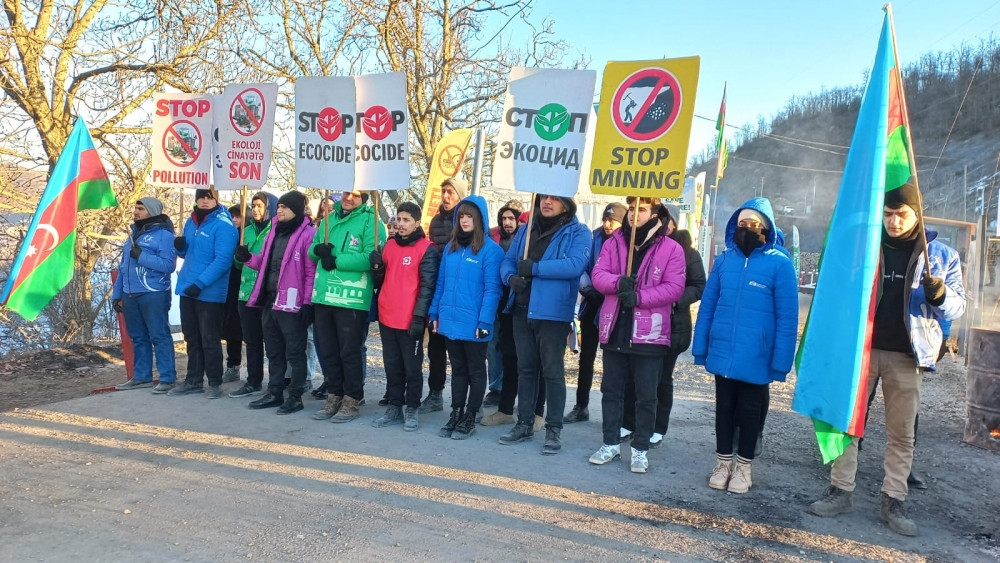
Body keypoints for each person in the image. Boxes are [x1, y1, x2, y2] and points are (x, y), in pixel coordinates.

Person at [809, 179, 965, 536]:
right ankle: (840, 490)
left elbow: (958, 306)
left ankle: (894, 499)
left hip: (908, 356)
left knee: (902, 433)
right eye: (888, 213)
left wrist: (941, 295)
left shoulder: (941, 256)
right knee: (846, 423)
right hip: (860, 353)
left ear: (917, 215)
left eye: (902, 214)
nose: (893, 221)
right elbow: (839, 289)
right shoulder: (865, 247)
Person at [692, 197, 798, 494]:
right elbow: (708, 307)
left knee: (750, 411)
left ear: (766, 227)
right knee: (724, 408)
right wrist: (701, 347)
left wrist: (781, 362)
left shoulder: (780, 264)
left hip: (757, 354)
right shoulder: (725, 261)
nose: (747, 228)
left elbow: (787, 318)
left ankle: (743, 468)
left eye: (754, 224)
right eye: (742, 223)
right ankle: (722, 464)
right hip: (723, 349)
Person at [587, 198, 686, 473]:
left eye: (641, 209)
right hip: (615, 327)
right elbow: (598, 275)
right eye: (631, 209)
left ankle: (640, 449)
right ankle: (609, 444)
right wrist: (617, 282)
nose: (633, 214)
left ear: (654, 214)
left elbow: (675, 287)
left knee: (646, 395)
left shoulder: (672, 248)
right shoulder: (614, 242)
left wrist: (640, 297)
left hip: (650, 333)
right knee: (611, 391)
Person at [498, 194, 591, 455]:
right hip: (521, 309)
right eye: (543, 197)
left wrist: (536, 268)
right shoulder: (526, 230)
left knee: (552, 372)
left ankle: (553, 429)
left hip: (553, 313)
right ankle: (524, 423)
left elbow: (575, 265)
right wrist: (510, 277)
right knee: (526, 370)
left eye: (554, 198)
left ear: (566, 203)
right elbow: (508, 261)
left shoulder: (578, 232)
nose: (547, 202)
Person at [621, 211, 706, 447]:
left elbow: (699, 285)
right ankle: (629, 422)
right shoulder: (639, 246)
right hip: (638, 321)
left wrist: (674, 300)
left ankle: (658, 427)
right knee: (632, 375)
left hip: (672, 325)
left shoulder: (687, 252)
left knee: (661, 378)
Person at [429, 195, 503, 439]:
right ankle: (456, 412)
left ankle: (471, 415)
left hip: (474, 323)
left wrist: (485, 321)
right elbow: (441, 284)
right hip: (450, 319)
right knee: (458, 369)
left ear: (480, 219)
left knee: (476, 370)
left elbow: (493, 290)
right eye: (461, 215)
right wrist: (434, 312)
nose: (464, 220)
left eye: (469, 215)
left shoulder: (491, 251)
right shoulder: (451, 248)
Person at [235, 191, 316, 414]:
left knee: (295, 351)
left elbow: (311, 272)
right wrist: (248, 258)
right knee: (274, 350)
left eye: (284, 207)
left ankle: (296, 396)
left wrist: (307, 303)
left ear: (296, 210)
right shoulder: (273, 230)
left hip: (292, 303)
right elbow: (263, 262)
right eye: (278, 206)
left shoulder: (308, 234)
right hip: (270, 299)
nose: (279, 210)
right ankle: (274, 391)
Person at [310, 189, 385, 423]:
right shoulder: (329, 218)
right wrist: (317, 250)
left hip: (351, 297)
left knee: (349, 351)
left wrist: (337, 260)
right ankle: (334, 394)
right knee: (328, 349)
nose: (349, 198)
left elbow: (371, 257)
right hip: (324, 295)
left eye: (355, 195)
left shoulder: (372, 222)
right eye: (346, 193)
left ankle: (352, 399)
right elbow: (312, 250)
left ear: (365, 198)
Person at [370, 202, 439, 431]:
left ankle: (412, 408)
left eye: (406, 220)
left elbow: (427, 287)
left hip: (410, 319)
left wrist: (419, 317)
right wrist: (377, 268)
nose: (400, 224)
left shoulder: (427, 249)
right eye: (398, 219)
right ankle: (394, 406)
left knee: (412, 368)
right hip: (387, 315)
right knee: (392, 365)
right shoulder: (389, 245)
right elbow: (380, 281)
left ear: (417, 222)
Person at [168, 187, 239, 399]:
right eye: (201, 197)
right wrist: (180, 248)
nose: (205, 201)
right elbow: (188, 253)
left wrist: (200, 283)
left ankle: (215, 382)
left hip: (209, 292)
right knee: (191, 337)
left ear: (216, 200)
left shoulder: (224, 225)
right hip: (187, 287)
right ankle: (193, 380)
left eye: (209, 197)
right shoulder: (191, 222)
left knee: (210, 338)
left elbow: (223, 260)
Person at [565, 201, 626, 424]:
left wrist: (610, 292)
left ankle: (616, 413)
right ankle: (581, 406)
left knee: (614, 362)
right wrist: (587, 289)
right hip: (591, 304)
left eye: (613, 221)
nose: (608, 224)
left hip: (615, 306)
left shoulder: (627, 241)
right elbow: (582, 266)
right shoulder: (594, 237)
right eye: (605, 219)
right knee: (586, 359)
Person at [112, 197, 178, 394]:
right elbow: (124, 267)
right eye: (135, 207)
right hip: (130, 293)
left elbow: (168, 265)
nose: (136, 211)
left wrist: (141, 256)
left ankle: (167, 378)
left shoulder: (164, 235)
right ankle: (142, 376)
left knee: (159, 335)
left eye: (140, 208)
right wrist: (117, 294)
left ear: (152, 211)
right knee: (138, 337)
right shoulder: (133, 234)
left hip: (153, 292)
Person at [419, 177, 467, 413]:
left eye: (450, 192)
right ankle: (435, 394)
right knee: (436, 347)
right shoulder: (436, 221)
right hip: (439, 290)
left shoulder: (467, 220)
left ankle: (465, 401)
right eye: (443, 191)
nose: (445, 196)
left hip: (462, 293)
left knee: (461, 351)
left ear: (460, 195)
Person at [229, 192, 277, 399]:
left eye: (260, 206)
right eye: (253, 205)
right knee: (251, 340)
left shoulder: (275, 230)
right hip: (246, 292)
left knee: (273, 342)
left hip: (267, 292)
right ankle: (253, 381)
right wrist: (239, 257)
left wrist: (249, 257)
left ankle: (276, 383)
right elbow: (239, 264)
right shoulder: (246, 230)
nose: (256, 209)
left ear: (269, 207)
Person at [484, 200, 523, 408]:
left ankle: (516, 390)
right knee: (493, 345)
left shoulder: (524, 241)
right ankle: (496, 388)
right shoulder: (492, 238)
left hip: (516, 300)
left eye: (511, 218)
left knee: (514, 348)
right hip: (495, 298)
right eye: (504, 218)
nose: (507, 222)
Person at [222, 204, 246, 383]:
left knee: (243, 328)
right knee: (230, 327)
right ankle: (232, 364)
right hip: (226, 285)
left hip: (244, 284)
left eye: (238, 216)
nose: (235, 220)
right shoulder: (225, 235)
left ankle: (243, 366)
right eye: (232, 216)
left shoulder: (247, 236)